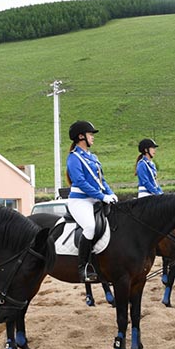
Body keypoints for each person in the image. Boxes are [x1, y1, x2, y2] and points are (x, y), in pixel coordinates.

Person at [66, 120, 117, 282]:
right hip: (80, 201)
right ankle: (83, 268)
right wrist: (102, 196)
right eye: (90, 134)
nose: (93, 138)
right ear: (81, 136)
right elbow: (80, 181)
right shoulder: (73, 158)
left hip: (95, 199)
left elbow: (102, 180)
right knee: (90, 227)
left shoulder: (93, 157)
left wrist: (110, 193)